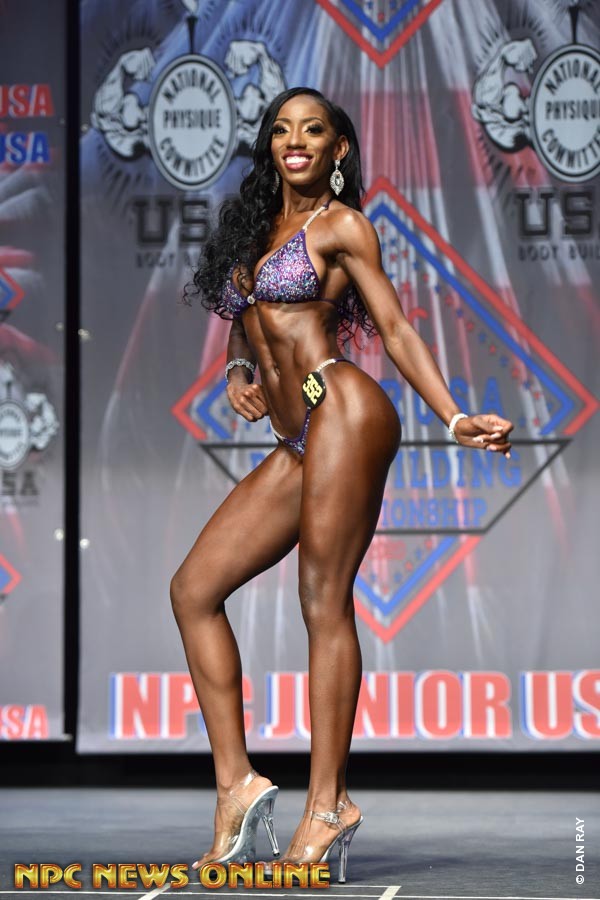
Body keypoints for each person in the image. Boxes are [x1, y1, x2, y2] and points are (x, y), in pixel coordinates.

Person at [171, 86, 513, 882]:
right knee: (193, 590)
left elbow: (393, 327)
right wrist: (239, 373)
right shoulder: (256, 228)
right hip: (296, 439)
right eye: (283, 129)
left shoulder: (341, 226)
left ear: (338, 149)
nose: (296, 140)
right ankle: (236, 786)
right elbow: (249, 326)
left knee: (321, 598)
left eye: (313, 130)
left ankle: (328, 803)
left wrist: (455, 417)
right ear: (270, 145)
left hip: (344, 407)